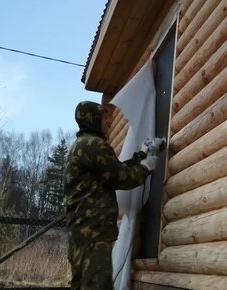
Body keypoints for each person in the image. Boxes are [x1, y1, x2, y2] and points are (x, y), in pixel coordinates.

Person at [64, 101, 158, 290]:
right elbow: (120, 177)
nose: (109, 121)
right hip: (94, 233)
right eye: (105, 117)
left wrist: (141, 154)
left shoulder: (82, 145)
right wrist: (146, 168)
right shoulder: (95, 145)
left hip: (82, 233)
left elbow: (113, 170)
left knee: (82, 284)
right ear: (93, 119)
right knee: (97, 285)